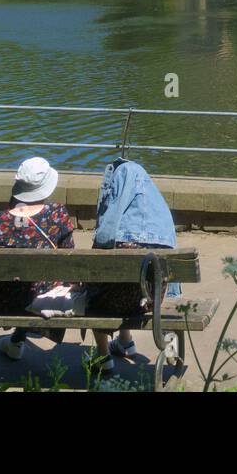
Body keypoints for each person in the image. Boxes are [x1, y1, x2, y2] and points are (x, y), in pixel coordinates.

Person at [0, 156, 76, 361]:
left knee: (21, 281)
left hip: (5, 297)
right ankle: (18, 339)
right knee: (46, 278)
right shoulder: (57, 214)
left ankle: (16, 341)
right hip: (45, 294)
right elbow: (69, 257)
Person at [87, 157, 180, 372]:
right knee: (126, 285)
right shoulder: (162, 222)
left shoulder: (113, 229)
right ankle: (126, 342)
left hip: (110, 303)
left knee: (94, 291)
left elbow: (94, 270)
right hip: (150, 303)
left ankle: (103, 357)